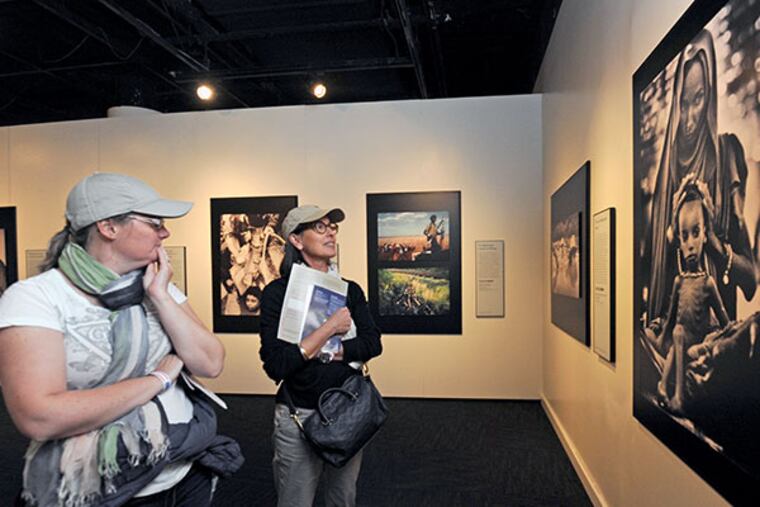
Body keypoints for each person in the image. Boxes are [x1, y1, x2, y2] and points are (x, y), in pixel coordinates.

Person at [0, 173, 242, 506]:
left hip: (184, 472)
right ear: (108, 227)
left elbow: (211, 362)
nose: (165, 232)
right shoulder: (36, 298)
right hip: (101, 487)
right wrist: (157, 380)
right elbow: (39, 417)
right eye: (154, 223)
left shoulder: (157, 285)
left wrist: (160, 296)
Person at [259, 205, 382, 507]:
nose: (330, 232)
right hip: (298, 415)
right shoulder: (277, 293)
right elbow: (277, 365)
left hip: (346, 411)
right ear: (296, 241)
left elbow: (372, 343)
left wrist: (332, 352)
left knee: (343, 498)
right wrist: (329, 329)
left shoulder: (350, 290)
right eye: (320, 227)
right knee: (295, 500)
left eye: (332, 227)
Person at [646, 29, 756, 331]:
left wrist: (716, 245)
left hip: (714, 346)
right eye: (684, 102)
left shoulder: (726, 158)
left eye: (698, 100)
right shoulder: (666, 178)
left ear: (709, 98)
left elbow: (752, 280)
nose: (691, 115)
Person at [652, 181, 730, 413]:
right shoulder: (679, 282)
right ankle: (666, 388)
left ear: (705, 235)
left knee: (679, 334)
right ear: (679, 241)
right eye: (684, 236)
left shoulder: (708, 283)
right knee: (676, 333)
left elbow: (723, 316)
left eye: (695, 233)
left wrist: (726, 334)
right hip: (679, 339)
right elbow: (669, 318)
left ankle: (676, 395)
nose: (690, 245)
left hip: (697, 340)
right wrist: (659, 338)